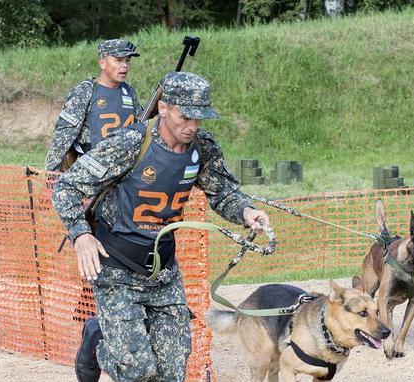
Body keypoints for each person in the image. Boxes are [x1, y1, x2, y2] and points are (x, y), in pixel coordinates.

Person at [52, 71, 270, 381]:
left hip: (163, 271)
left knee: (171, 373)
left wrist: (246, 211)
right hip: (116, 267)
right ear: (164, 108)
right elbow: (67, 188)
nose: (192, 126)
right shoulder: (130, 144)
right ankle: (96, 338)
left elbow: (222, 191)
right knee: (139, 371)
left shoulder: (201, 148)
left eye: (199, 118)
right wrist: (81, 235)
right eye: (185, 117)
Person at [45, 39, 143, 172]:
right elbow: (63, 136)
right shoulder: (86, 91)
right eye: (119, 60)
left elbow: (141, 125)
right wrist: (51, 174)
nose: (125, 65)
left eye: (127, 60)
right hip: (93, 170)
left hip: (125, 168)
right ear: (102, 63)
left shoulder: (129, 91)